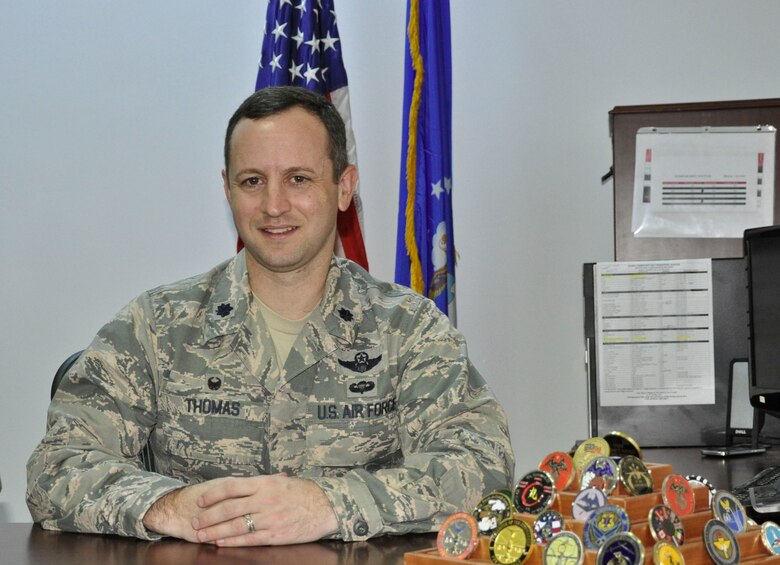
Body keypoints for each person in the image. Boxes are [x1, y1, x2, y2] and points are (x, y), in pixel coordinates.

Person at [26, 86, 515, 546]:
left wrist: (330, 505)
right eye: (252, 182)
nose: (274, 206)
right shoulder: (158, 326)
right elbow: (56, 467)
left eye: (298, 179)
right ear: (228, 189)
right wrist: (167, 506)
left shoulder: (408, 330)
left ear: (344, 188)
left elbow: (482, 465)